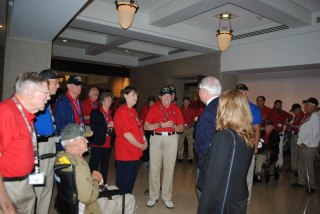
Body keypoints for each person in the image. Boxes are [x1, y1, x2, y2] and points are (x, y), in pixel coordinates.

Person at [55, 123, 135, 214]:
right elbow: (87, 197)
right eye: (83, 138)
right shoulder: (78, 166)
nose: (87, 141)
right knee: (129, 199)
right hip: (90, 209)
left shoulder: (61, 158)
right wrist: (95, 179)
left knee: (114, 188)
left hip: (72, 205)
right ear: (74, 142)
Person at [197, 89, 254, 214]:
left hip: (223, 201)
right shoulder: (248, 136)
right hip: (239, 198)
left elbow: (213, 181)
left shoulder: (223, 137)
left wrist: (202, 209)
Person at [0, 72, 50, 214]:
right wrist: (6, 205)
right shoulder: (6, 112)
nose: (49, 97)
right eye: (45, 93)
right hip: (9, 188)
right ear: (30, 92)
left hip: (25, 183)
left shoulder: (28, 114)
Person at [144, 86, 184, 209]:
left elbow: (182, 128)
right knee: (155, 167)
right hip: (156, 138)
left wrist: (176, 127)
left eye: (169, 96)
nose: (167, 98)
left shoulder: (176, 109)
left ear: (172, 97)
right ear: (160, 97)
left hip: (172, 138)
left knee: (169, 168)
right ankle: (154, 196)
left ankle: (167, 197)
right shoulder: (154, 108)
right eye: (164, 96)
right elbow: (146, 126)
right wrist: (160, 124)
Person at [34, 69, 61, 214]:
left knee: (48, 185)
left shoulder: (48, 102)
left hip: (50, 145)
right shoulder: (36, 101)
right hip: (41, 147)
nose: (58, 86)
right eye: (55, 82)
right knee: (38, 186)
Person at [114, 86, 148, 194]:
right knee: (124, 182)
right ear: (125, 96)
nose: (136, 97)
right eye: (133, 95)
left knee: (131, 180)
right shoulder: (122, 111)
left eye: (137, 95)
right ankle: (122, 206)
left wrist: (145, 140)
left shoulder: (133, 111)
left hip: (135, 152)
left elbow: (139, 128)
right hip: (126, 152)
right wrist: (140, 145)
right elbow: (127, 134)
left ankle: (127, 203)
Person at [194, 76, 221, 199]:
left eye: (199, 90)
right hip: (221, 159)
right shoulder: (223, 105)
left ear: (204, 91)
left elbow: (205, 142)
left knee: (204, 194)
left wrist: (202, 160)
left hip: (209, 161)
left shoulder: (209, 111)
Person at [236, 83, 261, 202]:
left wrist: (255, 146)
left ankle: (247, 197)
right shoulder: (234, 107)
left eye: (242, 92)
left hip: (248, 145)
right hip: (235, 144)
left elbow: (257, 129)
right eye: (238, 93)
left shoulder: (254, 109)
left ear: (247, 93)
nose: (240, 95)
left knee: (248, 172)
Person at [292, 97, 320, 195]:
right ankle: (302, 181)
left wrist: (305, 143)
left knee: (308, 166)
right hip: (304, 145)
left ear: (314, 106)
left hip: (309, 146)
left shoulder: (315, 117)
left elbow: (315, 133)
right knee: (302, 164)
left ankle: (311, 186)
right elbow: (304, 130)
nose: (305, 106)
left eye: (307, 104)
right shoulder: (310, 115)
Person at [54, 75, 85, 151]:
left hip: (77, 138)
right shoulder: (63, 102)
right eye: (76, 85)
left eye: (80, 85)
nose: (79, 87)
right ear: (69, 86)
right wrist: (70, 140)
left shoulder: (78, 102)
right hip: (68, 141)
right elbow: (61, 125)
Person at [89, 92, 114, 184]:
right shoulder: (95, 112)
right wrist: (107, 125)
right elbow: (94, 127)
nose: (109, 102)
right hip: (97, 143)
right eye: (107, 100)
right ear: (102, 101)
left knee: (105, 166)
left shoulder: (112, 113)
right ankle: (91, 185)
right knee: (94, 166)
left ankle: (103, 185)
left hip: (108, 143)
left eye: (111, 100)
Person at [268, 100, 293, 168]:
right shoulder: (270, 111)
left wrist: (286, 122)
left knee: (280, 149)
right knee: (271, 149)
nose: (279, 106)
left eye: (280, 105)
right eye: (277, 105)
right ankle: (270, 163)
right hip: (271, 134)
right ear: (274, 105)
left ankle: (279, 164)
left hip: (280, 134)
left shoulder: (283, 112)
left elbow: (291, 116)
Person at [177, 96, 197, 163]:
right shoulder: (179, 110)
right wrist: (182, 126)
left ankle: (190, 157)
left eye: (187, 102)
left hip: (189, 129)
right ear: (183, 103)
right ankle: (180, 156)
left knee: (190, 143)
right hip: (182, 129)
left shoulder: (192, 110)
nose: (185, 104)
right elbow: (177, 119)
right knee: (180, 143)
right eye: (184, 102)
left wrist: (189, 126)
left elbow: (194, 120)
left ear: (189, 103)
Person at [287, 103, 305, 175]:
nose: (294, 113)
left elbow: (299, 127)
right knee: (294, 152)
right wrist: (290, 127)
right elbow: (295, 126)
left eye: (294, 111)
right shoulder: (297, 116)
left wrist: (289, 125)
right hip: (294, 136)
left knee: (298, 153)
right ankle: (294, 168)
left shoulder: (303, 116)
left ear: (299, 109)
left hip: (299, 136)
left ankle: (297, 170)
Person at [141, 96, 156, 167]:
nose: (151, 103)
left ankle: (150, 160)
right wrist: (141, 130)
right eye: (150, 102)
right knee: (146, 146)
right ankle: (145, 160)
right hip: (146, 130)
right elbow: (142, 120)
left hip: (154, 130)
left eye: (152, 102)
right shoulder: (145, 109)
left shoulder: (156, 110)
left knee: (153, 146)